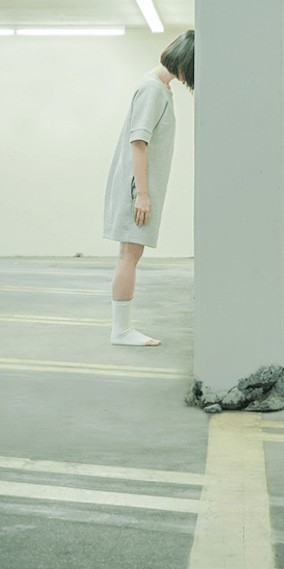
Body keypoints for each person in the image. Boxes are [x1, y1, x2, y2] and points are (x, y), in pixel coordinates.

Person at [103, 30, 195, 346]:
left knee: (130, 254)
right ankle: (121, 331)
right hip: (136, 188)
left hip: (137, 186)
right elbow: (138, 142)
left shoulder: (158, 87)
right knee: (130, 255)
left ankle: (122, 329)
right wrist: (142, 194)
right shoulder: (153, 88)